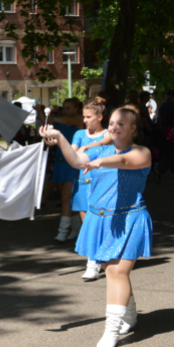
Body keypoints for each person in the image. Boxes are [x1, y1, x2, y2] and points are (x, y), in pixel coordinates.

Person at [40, 107, 152, 347]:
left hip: (130, 219)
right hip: (100, 220)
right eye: (111, 123)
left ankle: (112, 330)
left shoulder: (142, 152)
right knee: (113, 271)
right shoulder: (99, 149)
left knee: (116, 272)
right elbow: (75, 160)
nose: (113, 127)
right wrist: (59, 137)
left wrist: (100, 161)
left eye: (120, 124)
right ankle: (130, 316)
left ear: (133, 127)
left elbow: (123, 161)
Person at [35, 98, 84, 241]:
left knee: (66, 198)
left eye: (68, 108)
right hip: (60, 162)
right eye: (64, 108)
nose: (65, 110)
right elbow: (46, 121)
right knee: (68, 198)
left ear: (76, 109)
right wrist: (40, 111)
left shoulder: (79, 120)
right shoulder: (59, 120)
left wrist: (54, 118)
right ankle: (76, 228)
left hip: (73, 161)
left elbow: (66, 121)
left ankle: (62, 231)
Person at [70, 102, 108, 280]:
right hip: (82, 185)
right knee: (88, 226)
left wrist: (89, 147)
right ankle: (93, 263)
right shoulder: (79, 134)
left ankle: (103, 259)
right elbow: (72, 155)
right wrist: (58, 143)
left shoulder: (108, 134)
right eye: (83, 117)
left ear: (100, 117)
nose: (84, 120)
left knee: (102, 224)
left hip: (102, 186)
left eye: (88, 117)